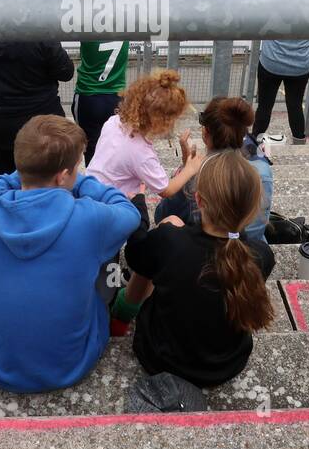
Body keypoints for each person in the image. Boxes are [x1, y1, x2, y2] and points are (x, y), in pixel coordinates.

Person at [0, 115, 139, 392]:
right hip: (73, 364)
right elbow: (128, 212)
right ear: (63, 176)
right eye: (76, 168)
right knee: (103, 252)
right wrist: (82, 183)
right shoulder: (90, 219)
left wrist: (16, 177)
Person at [115, 148, 276, 386]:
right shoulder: (261, 256)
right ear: (252, 210)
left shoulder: (171, 242)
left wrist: (139, 204)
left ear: (198, 200)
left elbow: (135, 255)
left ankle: (121, 314)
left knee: (165, 233)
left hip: (161, 361)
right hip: (227, 365)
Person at [0, 0, 76, 177]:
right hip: (41, 127)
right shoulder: (37, 29)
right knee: (48, 187)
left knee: (2, 189)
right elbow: (66, 72)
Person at [152, 96, 272, 247]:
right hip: (246, 254)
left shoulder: (199, 176)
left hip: (203, 254)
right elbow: (254, 233)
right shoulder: (262, 170)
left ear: (205, 132)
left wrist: (185, 171)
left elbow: (161, 216)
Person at [87, 70, 204, 200]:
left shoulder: (113, 122)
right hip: (110, 205)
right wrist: (190, 169)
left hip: (89, 189)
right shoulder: (141, 153)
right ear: (162, 122)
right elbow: (166, 190)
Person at [65, 0, 128, 164]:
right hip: (117, 98)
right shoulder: (126, 19)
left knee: (91, 153)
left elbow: (57, 15)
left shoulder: (84, 22)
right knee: (115, 151)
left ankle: (94, 190)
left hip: (88, 98)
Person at [252, 0, 309, 144]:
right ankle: (299, 141)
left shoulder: (273, 5)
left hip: (271, 63)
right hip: (300, 66)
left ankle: (254, 142)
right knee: (295, 105)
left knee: (265, 105)